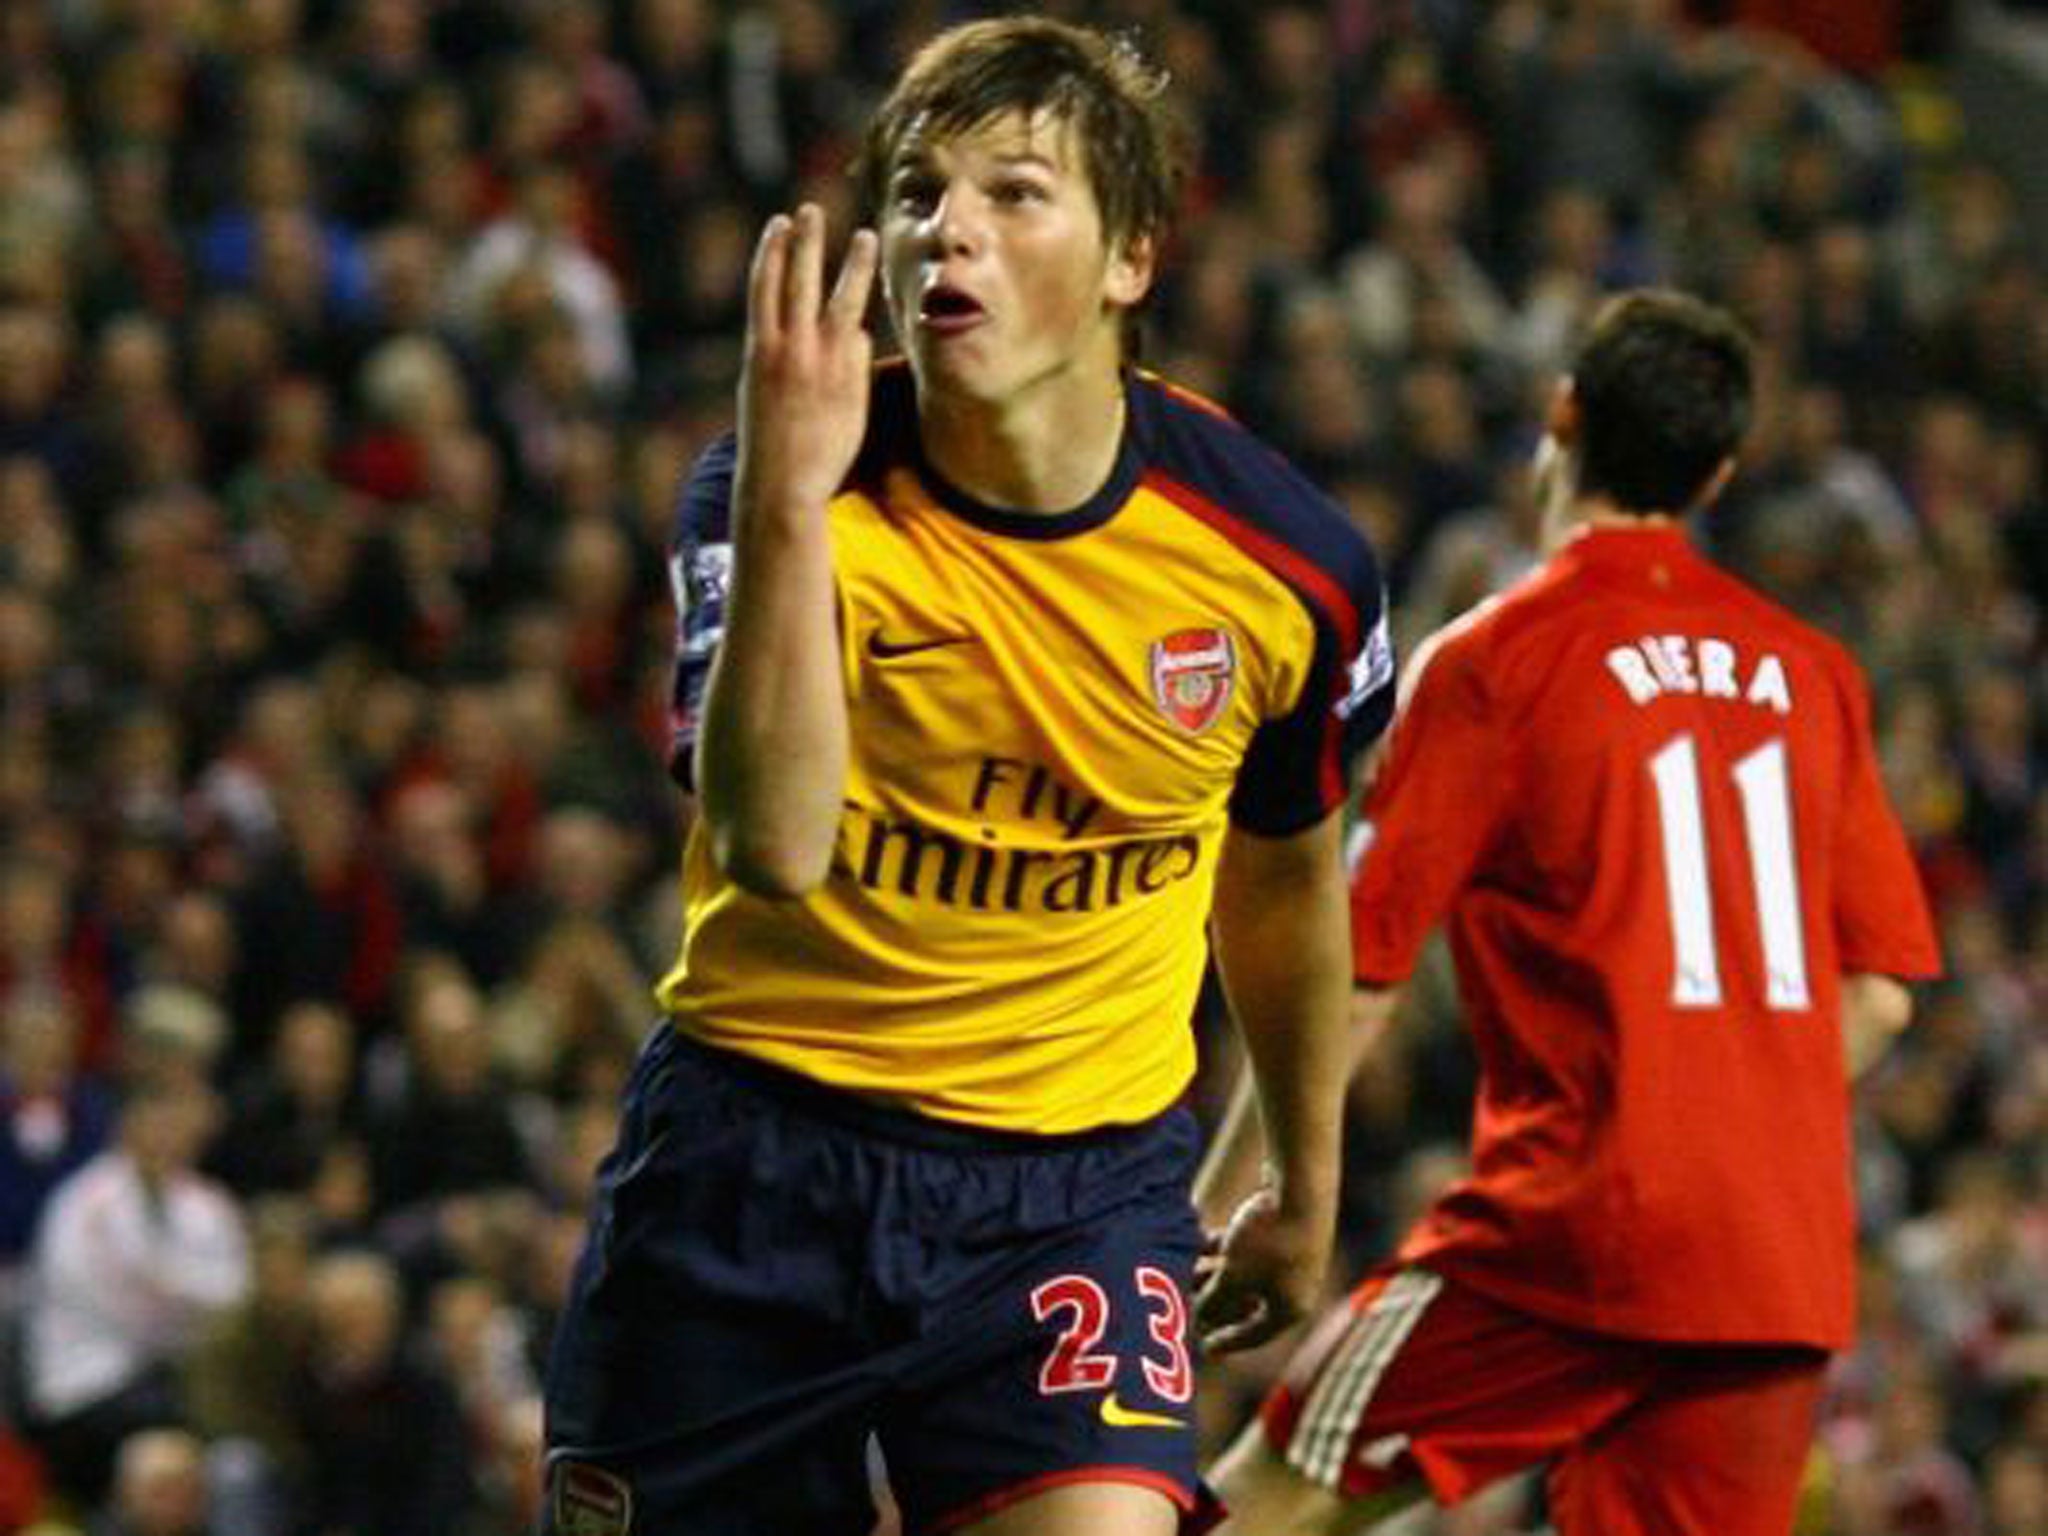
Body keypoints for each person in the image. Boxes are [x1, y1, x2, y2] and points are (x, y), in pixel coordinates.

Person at [540, 16, 1395, 1536]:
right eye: (920, 193)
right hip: (758, 1159)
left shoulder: (1288, 568)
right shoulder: (781, 478)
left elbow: (1283, 874)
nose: (951, 230)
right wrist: (794, 496)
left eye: (1014, 192)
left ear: (1130, 257)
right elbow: (776, 842)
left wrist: (1304, 1189)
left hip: (1071, 1193)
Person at [1199, 289, 1943, 1536]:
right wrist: (1730, 1110)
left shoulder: (1501, 659)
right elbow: (1875, 992)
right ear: (1717, 474)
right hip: (1775, 1255)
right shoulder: (1813, 674)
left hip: (1576, 1226)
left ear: (1560, 415)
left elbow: (1362, 972)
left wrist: (1233, 1205)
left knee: (1281, 1492)